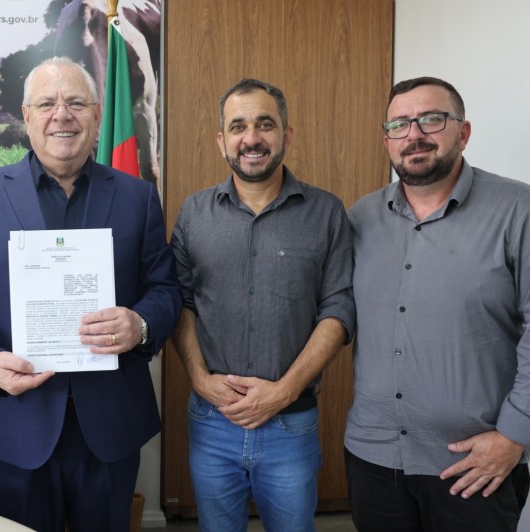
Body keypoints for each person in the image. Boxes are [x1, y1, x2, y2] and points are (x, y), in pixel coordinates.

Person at [0, 56, 181, 532]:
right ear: (26, 116)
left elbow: (165, 288)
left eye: (75, 102)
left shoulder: (138, 196)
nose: (61, 115)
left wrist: (141, 325)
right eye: (47, 103)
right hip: (19, 421)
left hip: (110, 424)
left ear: (95, 114)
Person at [345, 76, 530, 532]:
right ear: (387, 140)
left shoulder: (520, 209)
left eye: (431, 120)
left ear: (463, 131)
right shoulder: (359, 219)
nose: (413, 134)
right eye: (399, 124)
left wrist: (515, 437)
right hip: (373, 460)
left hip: (476, 467)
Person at [170, 78, 355, 532]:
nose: (251, 139)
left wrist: (285, 390)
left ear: (286, 135)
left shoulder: (327, 213)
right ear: (222, 140)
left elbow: (339, 308)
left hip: (291, 424)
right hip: (212, 420)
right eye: (238, 127)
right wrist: (198, 377)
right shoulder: (193, 214)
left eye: (264, 125)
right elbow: (180, 301)